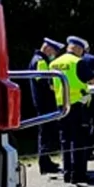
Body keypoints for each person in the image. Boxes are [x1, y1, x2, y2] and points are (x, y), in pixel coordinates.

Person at [48, 36, 94, 183]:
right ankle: (78, 175)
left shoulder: (54, 63)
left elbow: (51, 86)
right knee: (79, 140)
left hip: (61, 106)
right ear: (77, 48)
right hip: (77, 104)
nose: (82, 54)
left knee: (65, 139)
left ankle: (67, 172)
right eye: (82, 50)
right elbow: (93, 80)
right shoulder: (77, 62)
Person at [28, 38, 65, 174]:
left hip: (41, 102)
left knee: (46, 133)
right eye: (54, 51)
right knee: (45, 133)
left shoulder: (37, 59)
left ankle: (46, 161)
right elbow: (45, 83)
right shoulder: (41, 61)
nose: (54, 54)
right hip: (45, 102)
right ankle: (44, 163)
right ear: (47, 48)